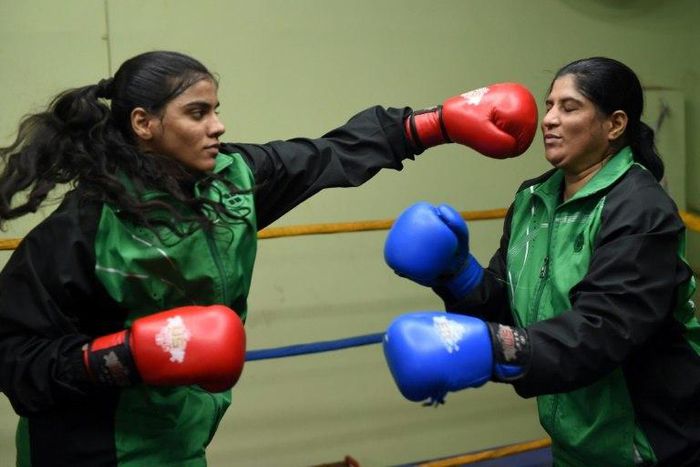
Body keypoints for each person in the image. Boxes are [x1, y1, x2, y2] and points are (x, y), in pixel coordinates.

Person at [0, 50, 538, 466]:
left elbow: (329, 153)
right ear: (144, 124)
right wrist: (126, 356)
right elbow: (15, 357)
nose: (218, 126)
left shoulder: (232, 182)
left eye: (216, 110)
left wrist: (435, 124)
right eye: (197, 113)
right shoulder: (83, 230)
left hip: (177, 442)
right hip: (83, 452)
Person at [382, 56, 700, 466]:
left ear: (615, 125)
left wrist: (499, 349)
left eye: (569, 107)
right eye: (549, 105)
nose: (549, 119)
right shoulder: (534, 200)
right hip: (576, 445)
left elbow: (603, 331)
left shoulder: (641, 209)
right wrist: (457, 275)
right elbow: (509, 307)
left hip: (653, 445)